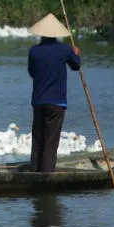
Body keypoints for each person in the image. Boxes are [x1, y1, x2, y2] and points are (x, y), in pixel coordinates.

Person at [27, 13, 81, 173]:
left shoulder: (34, 51)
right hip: (57, 102)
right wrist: (76, 54)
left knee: (38, 138)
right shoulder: (65, 50)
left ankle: (34, 170)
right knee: (51, 141)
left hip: (38, 101)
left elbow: (32, 72)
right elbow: (76, 66)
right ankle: (46, 174)